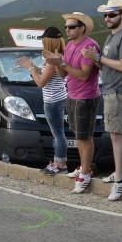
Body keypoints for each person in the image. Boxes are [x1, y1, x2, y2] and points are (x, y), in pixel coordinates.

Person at [86, 0, 122, 201]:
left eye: (112, 15)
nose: (107, 19)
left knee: (116, 135)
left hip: (118, 91)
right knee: (121, 134)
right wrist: (96, 60)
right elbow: (109, 66)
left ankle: (119, 179)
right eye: (106, 15)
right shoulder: (112, 37)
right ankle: (120, 173)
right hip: (111, 89)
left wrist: (98, 58)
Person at [44, 12, 100, 193]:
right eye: (66, 27)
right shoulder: (69, 46)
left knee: (85, 136)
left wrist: (62, 63)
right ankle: (83, 168)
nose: (67, 30)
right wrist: (56, 63)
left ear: (82, 27)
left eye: (72, 27)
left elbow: (84, 75)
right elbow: (63, 74)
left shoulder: (89, 46)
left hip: (86, 95)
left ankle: (85, 172)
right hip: (72, 94)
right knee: (78, 135)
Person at [19, 26, 68, 175]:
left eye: (44, 40)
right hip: (58, 98)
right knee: (58, 133)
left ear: (48, 42)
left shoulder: (52, 60)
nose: (42, 43)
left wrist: (30, 68)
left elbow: (41, 83)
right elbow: (48, 73)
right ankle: (57, 162)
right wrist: (34, 66)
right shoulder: (57, 57)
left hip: (52, 100)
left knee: (58, 134)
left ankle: (60, 164)